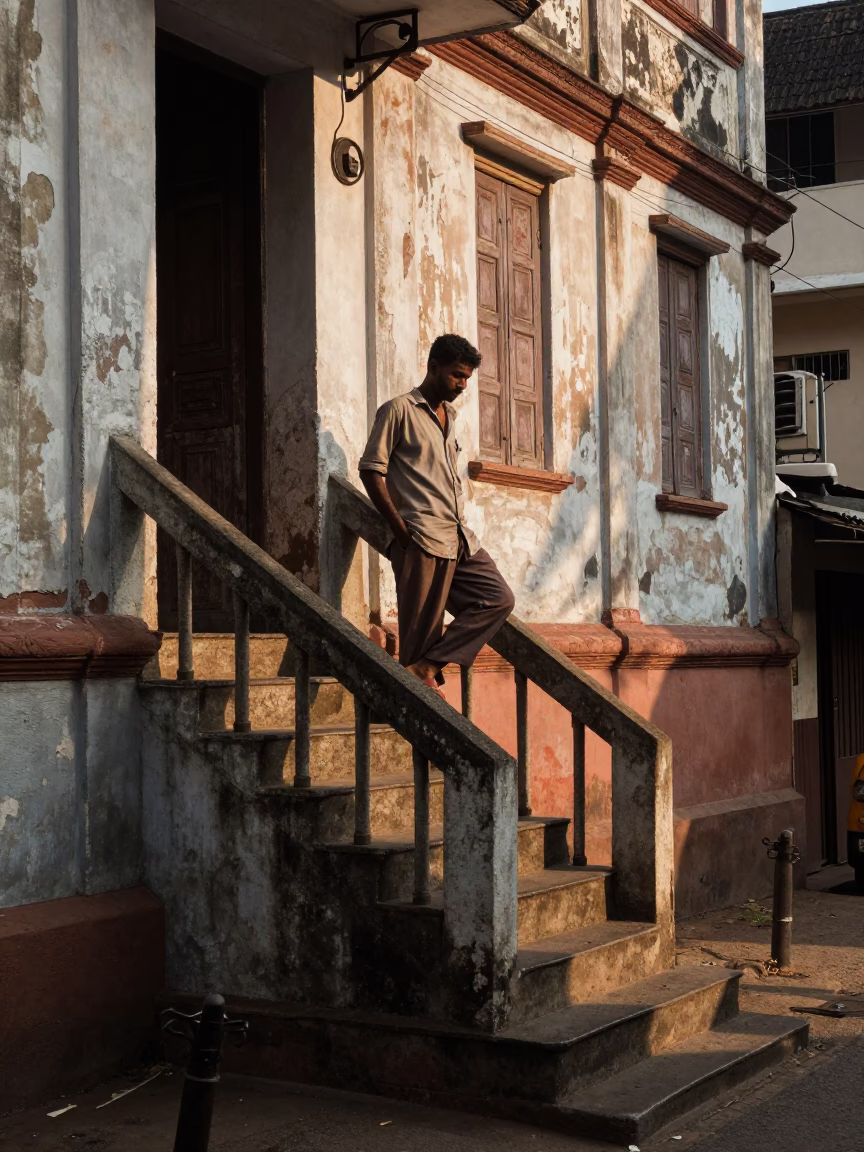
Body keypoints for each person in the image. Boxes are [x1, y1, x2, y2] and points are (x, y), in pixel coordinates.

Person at [359, 333, 515, 694]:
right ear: (433, 367)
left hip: (458, 539)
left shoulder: (451, 416)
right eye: (457, 376)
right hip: (421, 541)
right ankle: (414, 717)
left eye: (467, 379)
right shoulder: (398, 411)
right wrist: (400, 532)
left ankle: (428, 666)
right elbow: (370, 470)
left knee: (498, 598)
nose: (462, 385)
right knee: (416, 641)